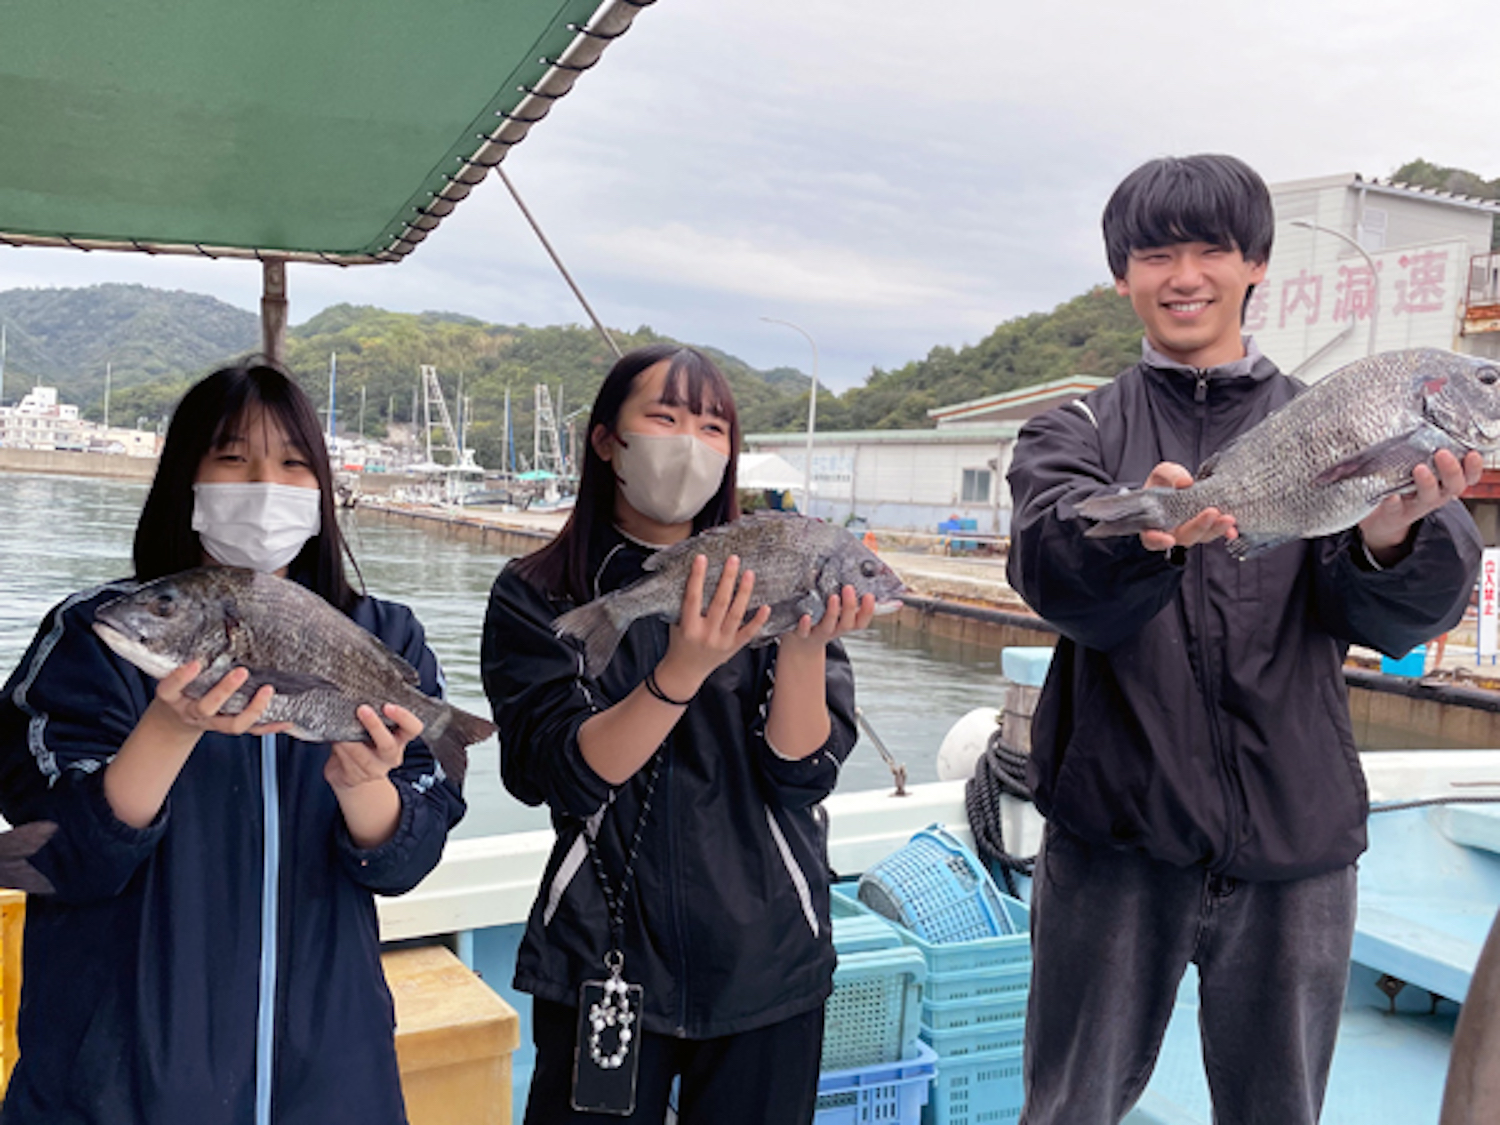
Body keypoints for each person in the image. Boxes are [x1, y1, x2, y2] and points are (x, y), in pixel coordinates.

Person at [1005, 154, 1483, 1125]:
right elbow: (1055, 579)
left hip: (1295, 839)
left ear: (1255, 263)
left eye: (1211, 249)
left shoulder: (1339, 408)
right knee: (1071, 1108)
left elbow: (1409, 615)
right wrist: (1143, 539)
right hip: (1112, 836)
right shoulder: (1077, 426)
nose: (1185, 274)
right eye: (1156, 254)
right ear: (1121, 276)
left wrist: (1393, 532)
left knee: (1280, 1110)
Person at [0, 358, 466, 1125]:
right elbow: (61, 858)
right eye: (231, 456)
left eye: (292, 462)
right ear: (186, 475)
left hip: (333, 1085)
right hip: (121, 1093)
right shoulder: (94, 635)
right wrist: (169, 725)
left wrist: (362, 783)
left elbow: (406, 861)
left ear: (322, 487)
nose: (264, 482)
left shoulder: (386, 638)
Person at [481, 343, 874, 1125]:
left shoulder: (778, 570)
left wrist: (800, 642)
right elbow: (552, 775)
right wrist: (678, 673)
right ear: (605, 439)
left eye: (712, 426)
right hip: (602, 950)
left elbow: (801, 776)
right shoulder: (538, 594)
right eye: (663, 417)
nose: (688, 442)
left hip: (770, 956)